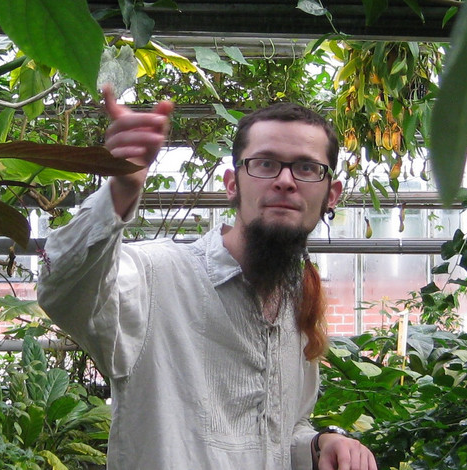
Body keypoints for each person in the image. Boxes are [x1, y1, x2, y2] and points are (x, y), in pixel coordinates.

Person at [37, 88, 377, 470]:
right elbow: (60, 287)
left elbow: (280, 432)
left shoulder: (296, 307)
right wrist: (119, 190)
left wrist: (318, 444)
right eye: (265, 164)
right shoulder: (156, 276)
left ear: (331, 194)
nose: (285, 180)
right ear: (232, 184)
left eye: (306, 167)